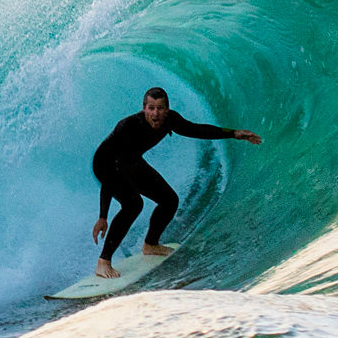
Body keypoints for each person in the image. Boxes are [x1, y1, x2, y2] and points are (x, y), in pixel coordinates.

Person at [90, 87, 261, 278]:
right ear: (144, 108)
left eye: (160, 108)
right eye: (151, 108)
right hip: (106, 164)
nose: (156, 114)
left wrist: (234, 133)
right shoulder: (128, 127)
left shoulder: (170, 120)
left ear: (167, 109)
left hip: (131, 161)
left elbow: (197, 130)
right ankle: (103, 262)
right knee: (133, 205)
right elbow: (111, 174)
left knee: (169, 200)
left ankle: (151, 245)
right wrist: (103, 216)